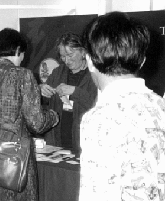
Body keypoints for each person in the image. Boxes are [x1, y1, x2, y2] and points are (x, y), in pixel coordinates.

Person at [79, 11, 165, 201]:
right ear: (142, 61)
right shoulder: (161, 106)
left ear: (89, 61)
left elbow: (96, 194)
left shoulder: (99, 118)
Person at [0, 28, 59, 201]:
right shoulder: (23, 75)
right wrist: (53, 116)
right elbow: (37, 123)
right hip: (13, 157)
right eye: (22, 53)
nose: (23, 58)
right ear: (17, 50)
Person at [40, 32, 97, 153]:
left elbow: (98, 107)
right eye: (63, 56)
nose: (66, 60)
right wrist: (41, 90)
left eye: (70, 55)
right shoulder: (58, 72)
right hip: (57, 138)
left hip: (84, 140)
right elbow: (44, 101)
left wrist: (75, 92)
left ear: (83, 52)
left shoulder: (95, 75)